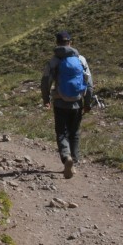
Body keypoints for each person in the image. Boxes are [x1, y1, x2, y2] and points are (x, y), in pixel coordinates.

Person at [41, 30, 92, 178]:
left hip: (60, 102)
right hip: (77, 102)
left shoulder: (54, 61)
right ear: (70, 42)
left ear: (57, 43)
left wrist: (46, 100)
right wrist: (87, 102)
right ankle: (74, 162)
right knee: (74, 132)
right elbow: (89, 84)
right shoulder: (81, 60)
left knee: (61, 132)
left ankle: (66, 157)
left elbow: (45, 82)